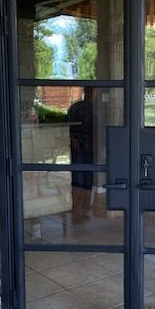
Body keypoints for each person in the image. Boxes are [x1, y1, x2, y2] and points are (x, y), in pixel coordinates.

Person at [67, 87, 94, 222]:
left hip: (92, 146)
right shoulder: (76, 108)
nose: (92, 93)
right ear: (85, 91)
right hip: (79, 145)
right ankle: (76, 209)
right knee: (78, 177)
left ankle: (86, 208)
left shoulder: (97, 108)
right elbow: (69, 127)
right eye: (90, 91)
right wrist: (73, 139)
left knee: (88, 177)